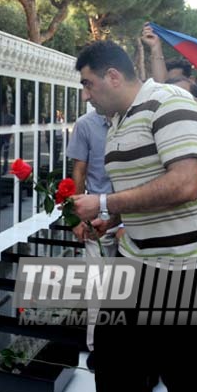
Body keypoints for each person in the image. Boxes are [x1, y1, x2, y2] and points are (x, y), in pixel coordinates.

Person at [72, 40, 197, 392]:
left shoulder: (170, 103)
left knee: (188, 380)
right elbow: (142, 188)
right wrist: (114, 218)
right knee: (112, 367)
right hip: (139, 259)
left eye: (88, 84)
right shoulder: (116, 122)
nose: (86, 95)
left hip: (185, 266)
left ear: (113, 76)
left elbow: (185, 184)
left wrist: (106, 201)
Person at [66, 108, 117, 372]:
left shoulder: (134, 117)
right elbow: (79, 170)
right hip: (98, 215)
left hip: (136, 216)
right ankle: (96, 347)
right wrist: (77, 218)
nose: (88, 95)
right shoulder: (85, 125)